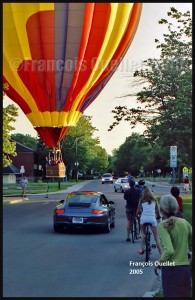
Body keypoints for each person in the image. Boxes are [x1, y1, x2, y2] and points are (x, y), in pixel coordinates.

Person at [155, 194, 192, 297]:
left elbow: (169, 250)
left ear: (161, 209)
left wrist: (159, 262)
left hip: (170, 270)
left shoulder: (163, 225)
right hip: (185, 270)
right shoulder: (185, 222)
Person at [136, 187, 162, 255]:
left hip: (143, 218)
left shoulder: (141, 200)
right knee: (156, 237)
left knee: (143, 234)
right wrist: (158, 216)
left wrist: (138, 214)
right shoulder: (154, 200)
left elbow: (138, 210)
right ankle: (161, 254)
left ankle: (142, 249)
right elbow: (158, 210)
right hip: (152, 219)